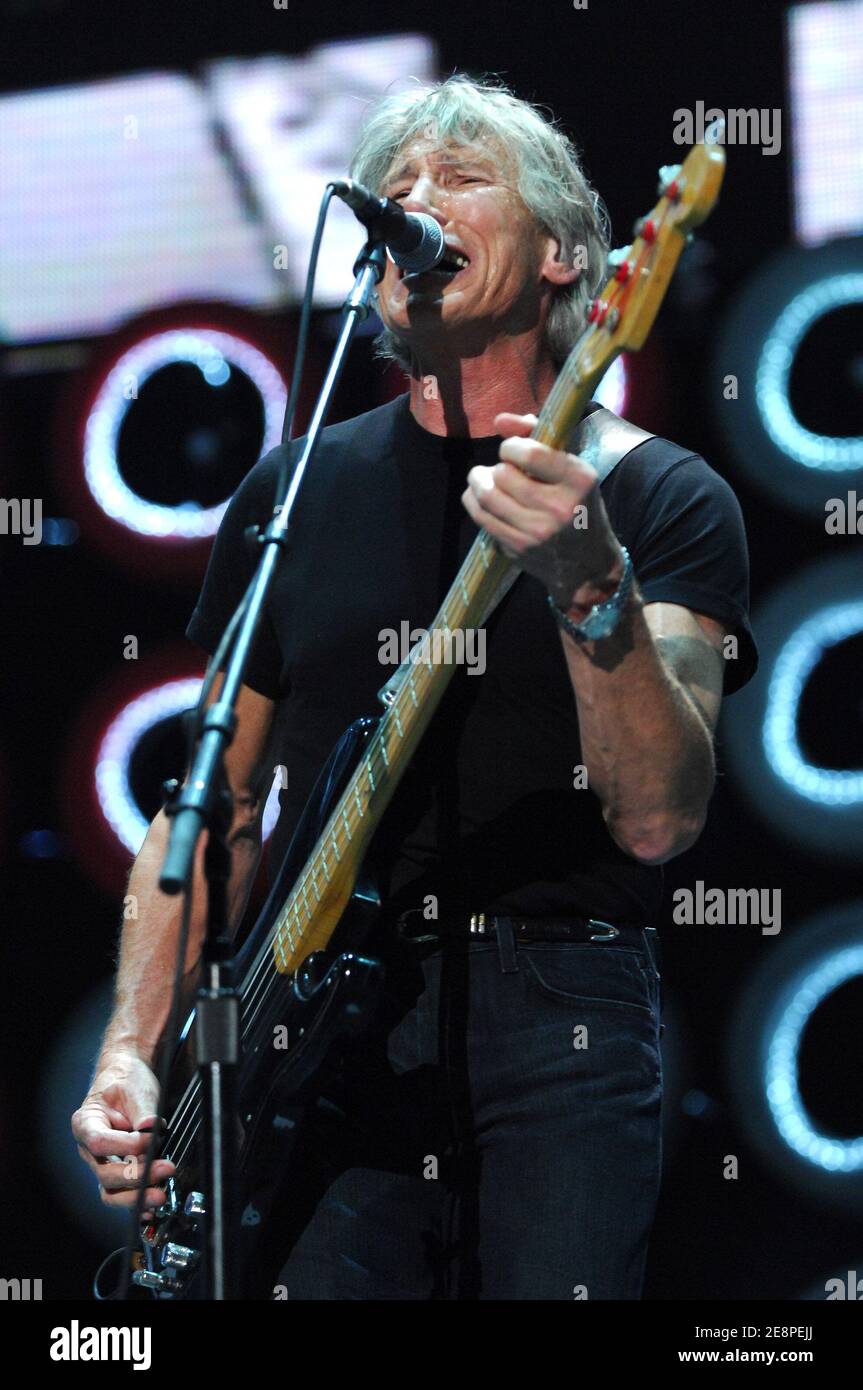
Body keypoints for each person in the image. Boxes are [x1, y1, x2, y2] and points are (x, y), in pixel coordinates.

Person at [72, 74, 757, 1300]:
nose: (414, 202)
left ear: (567, 261)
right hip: (312, 1021)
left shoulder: (660, 497)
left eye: (458, 176)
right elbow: (212, 814)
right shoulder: (289, 494)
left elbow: (659, 813)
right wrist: (133, 1047)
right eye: (393, 187)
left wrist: (590, 585)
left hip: (558, 1010)